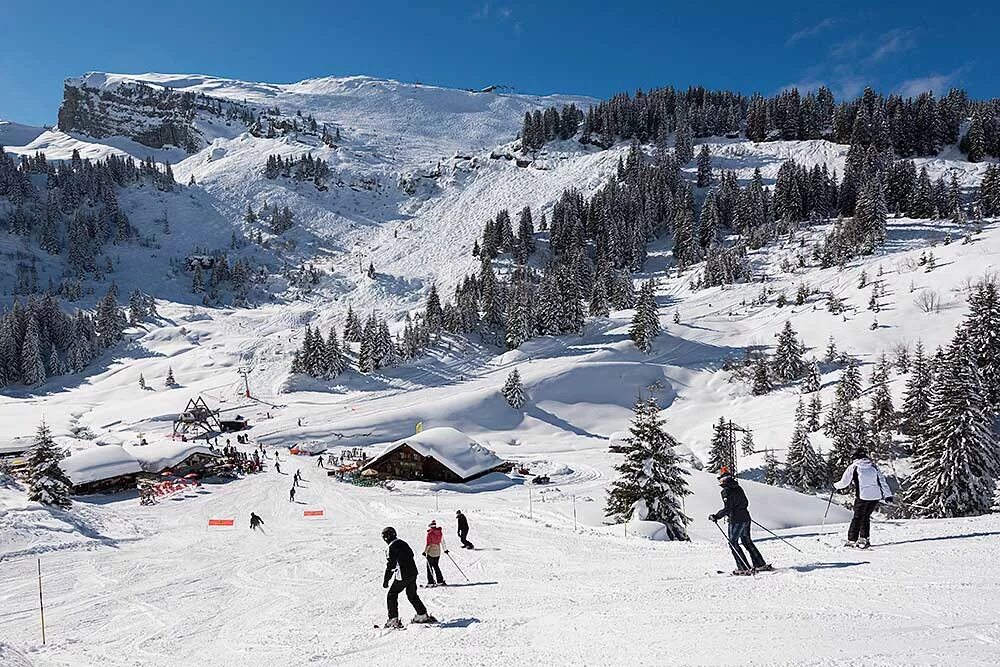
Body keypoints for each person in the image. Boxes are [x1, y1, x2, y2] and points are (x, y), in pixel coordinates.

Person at [709, 468, 771, 575]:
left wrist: (716, 516)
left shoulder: (726, 491)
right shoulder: (738, 488)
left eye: (719, 479)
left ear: (723, 479)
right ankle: (760, 564)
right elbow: (745, 502)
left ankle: (743, 567)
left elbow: (728, 508)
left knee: (733, 543)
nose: (719, 481)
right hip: (746, 518)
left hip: (736, 520)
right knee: (747, 541)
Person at [834, 448, 893, 549]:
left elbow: (844, 482)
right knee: (865, 517)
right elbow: (882, 481)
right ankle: (864, 539)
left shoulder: (854, 467)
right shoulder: (873, 466)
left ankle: (852, 540)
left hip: (863, 496)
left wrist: (835, 486)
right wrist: (888, 495)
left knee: (857, 517)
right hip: (875, 497)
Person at [381, 527, 436, 628]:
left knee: (392, 594)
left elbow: (391, 565)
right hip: (413, 572)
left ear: (386, 537)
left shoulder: (391, 547)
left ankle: (393, 620)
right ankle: (422, 615)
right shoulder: (403, 543)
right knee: (412, 594)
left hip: (403, 575)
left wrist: (386, 580)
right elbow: (411, 554)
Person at [423, 520, 447, 587]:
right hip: (438, 551)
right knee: (436, 566)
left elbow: (429, 544)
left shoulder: (430, 534)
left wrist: (425, 552)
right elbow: (442, 541)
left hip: (431, 552)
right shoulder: (439, 532)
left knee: (429, 567)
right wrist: (445, 550)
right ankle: (440, 581)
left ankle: (431, 582)